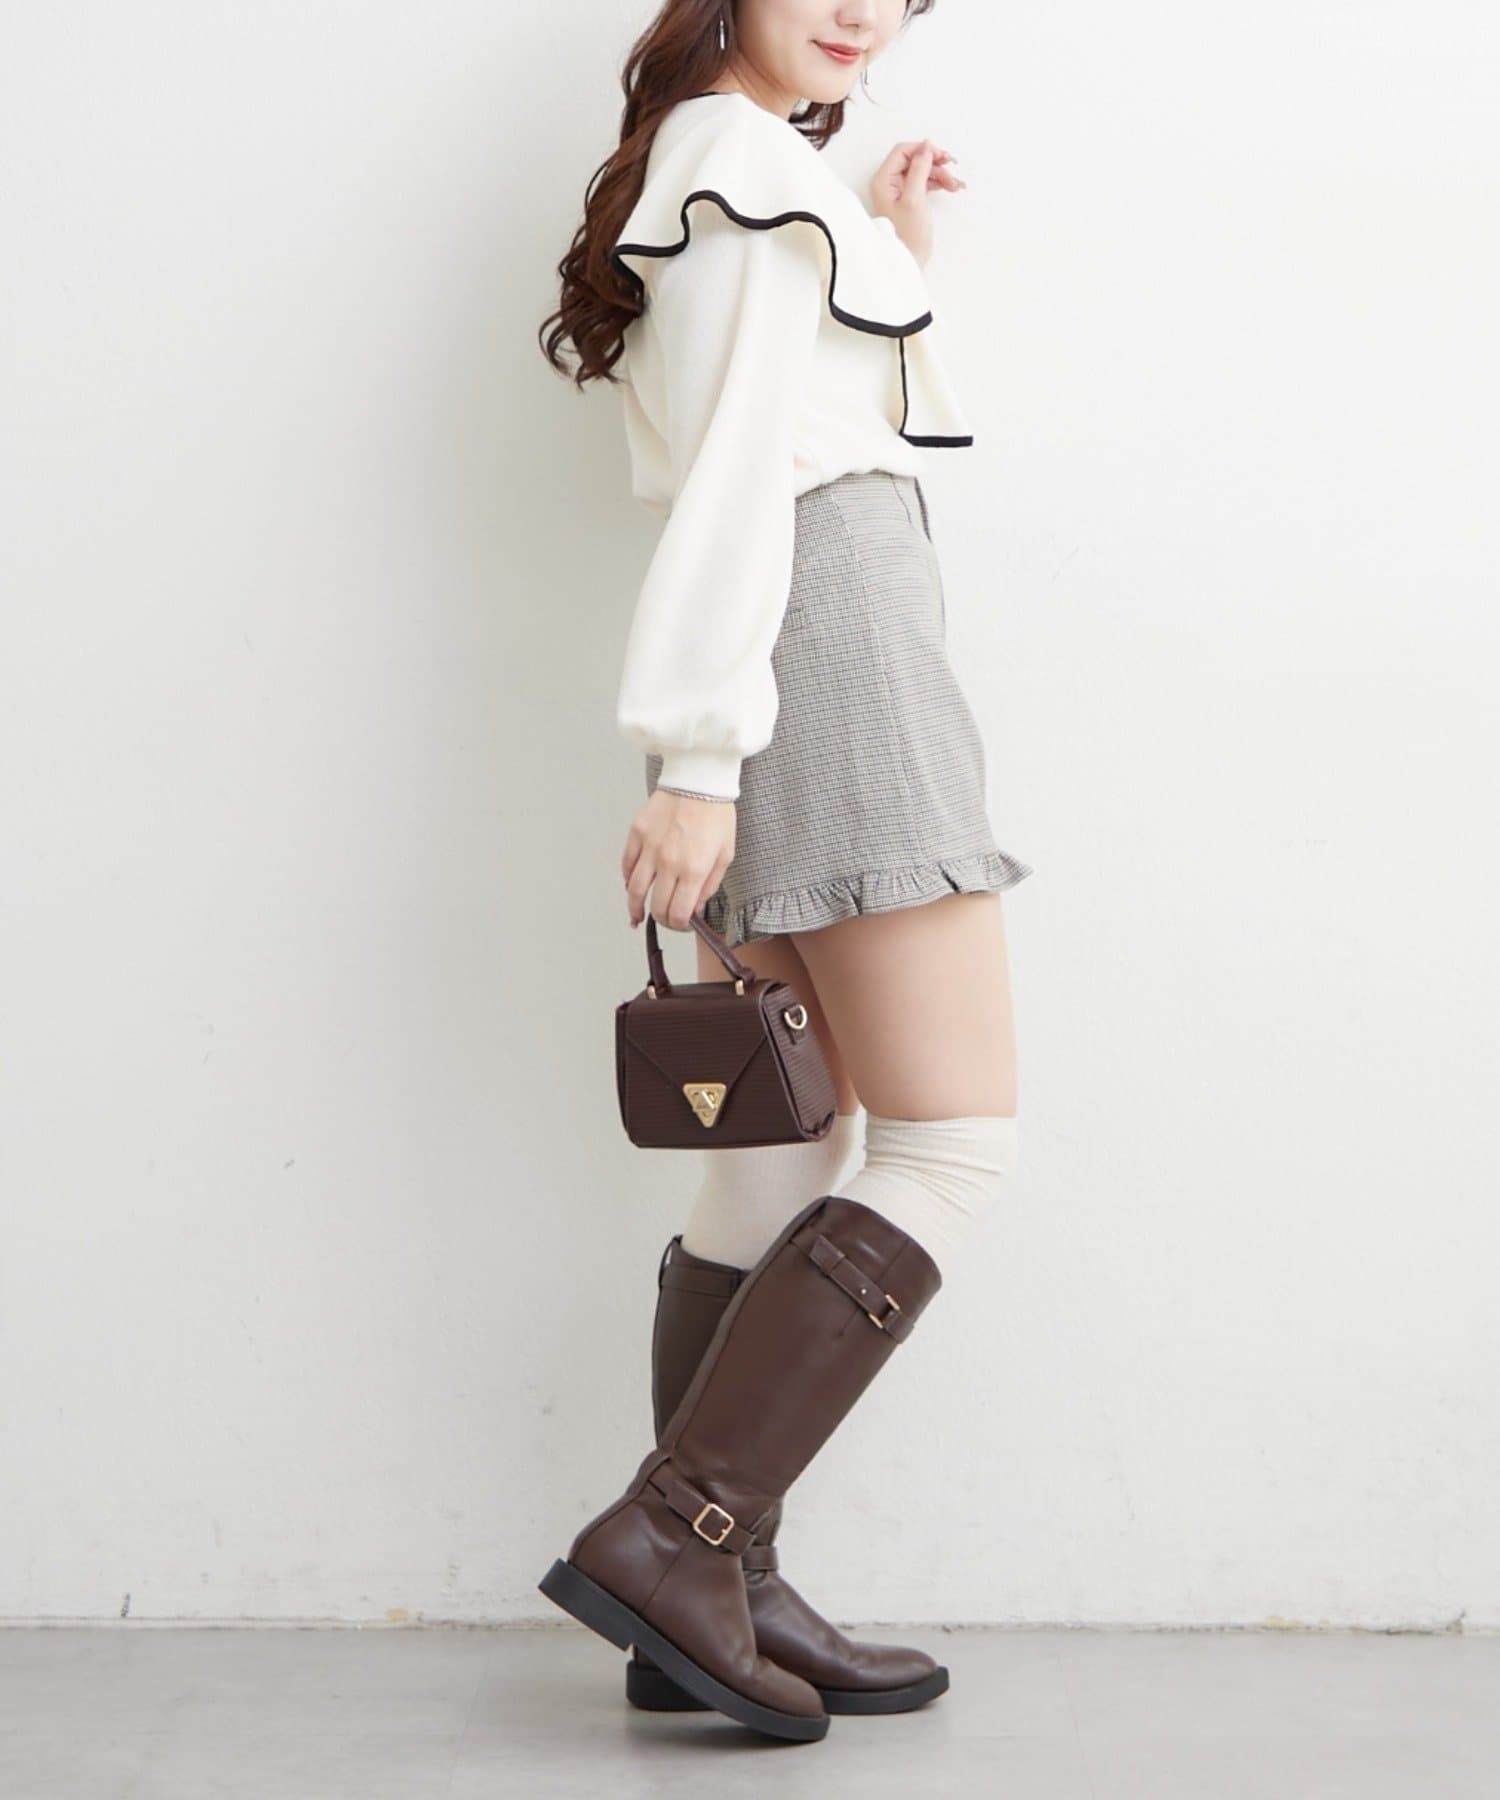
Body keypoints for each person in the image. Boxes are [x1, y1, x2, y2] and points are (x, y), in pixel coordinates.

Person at [535, 0, 1033, 1744]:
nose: (862, 11)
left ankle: (714, 1587)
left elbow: (780, 420)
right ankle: (678, 1538)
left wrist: (888, 246)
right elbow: (749, 474)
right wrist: (696, 757)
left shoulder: (732, 168)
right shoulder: (743, 166)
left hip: (774, 656)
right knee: (953, 1137)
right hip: (817, 653)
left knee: (782, 1140)